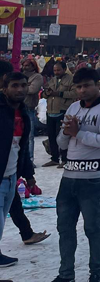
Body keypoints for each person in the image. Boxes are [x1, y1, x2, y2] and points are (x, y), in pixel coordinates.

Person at [52, 67, 100, 282]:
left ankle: (95, 274)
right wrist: (66, 132)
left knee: (93, 229)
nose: (82, 90)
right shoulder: (73, 107)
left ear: (97, 84)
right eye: (78, 87)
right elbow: (61, 143)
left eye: (87, 85)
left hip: (93, 178)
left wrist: (78, 133)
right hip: (69, 177)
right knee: (64, 229)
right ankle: (66, 274)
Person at [0, 71, 36, 268]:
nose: (20, 89)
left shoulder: (23, 113)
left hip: (12, 175)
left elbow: (21, 149)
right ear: (4, 88)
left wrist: (28, 175)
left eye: (23, 85)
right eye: (14, 85)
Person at [43, 61, 76, 167]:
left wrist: (58, 93)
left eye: (58, 70)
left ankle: (65, 159)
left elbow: (74, 93)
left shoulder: (71, 80)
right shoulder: (52, 80)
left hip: (62, 111)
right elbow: (44, 94)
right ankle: (54, 158)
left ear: (64, 69)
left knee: (62, 137)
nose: (56, 72)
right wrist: (46, 93)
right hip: (51, 111)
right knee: (51, 137)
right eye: (54, 70)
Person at [21, 57, 43, 163]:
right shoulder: (21, 76)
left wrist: (21, 87)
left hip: (29, 108)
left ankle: (30, 160)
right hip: (18, 107)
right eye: (24, 65)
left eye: (27, 65)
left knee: (29, 136)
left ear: (33, 66)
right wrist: (26, 86)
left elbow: (33, 89)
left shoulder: (37, 77)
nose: (25, 67)